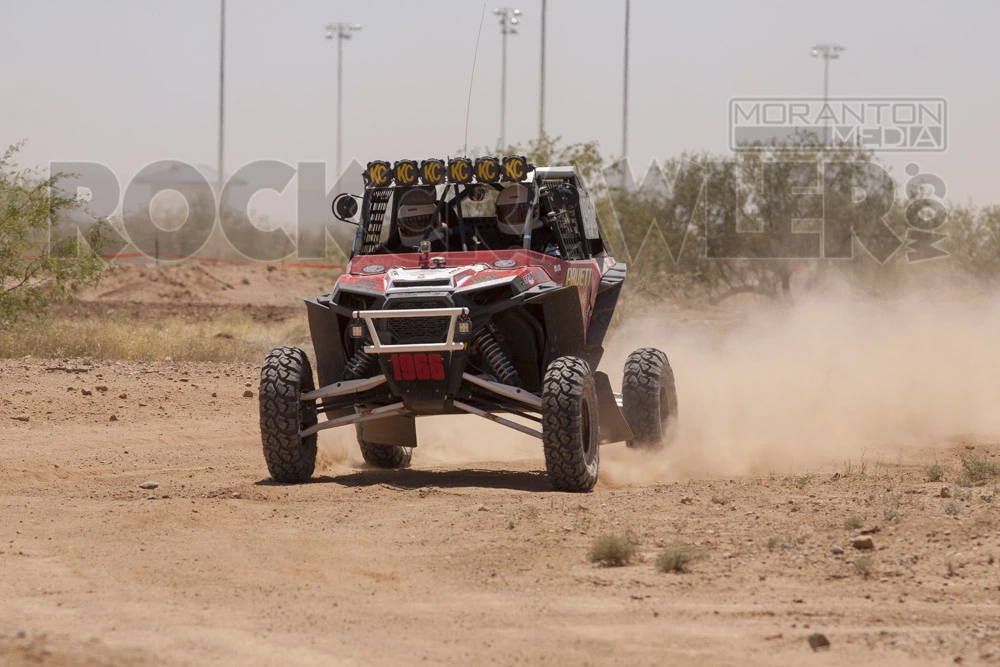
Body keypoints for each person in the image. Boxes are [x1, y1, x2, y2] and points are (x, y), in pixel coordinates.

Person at [495, 184, 561, 256]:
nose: (516, 218)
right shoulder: (493, 241)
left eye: (522, 213)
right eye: (507, 212)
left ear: (536, 211)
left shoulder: (546, 239)